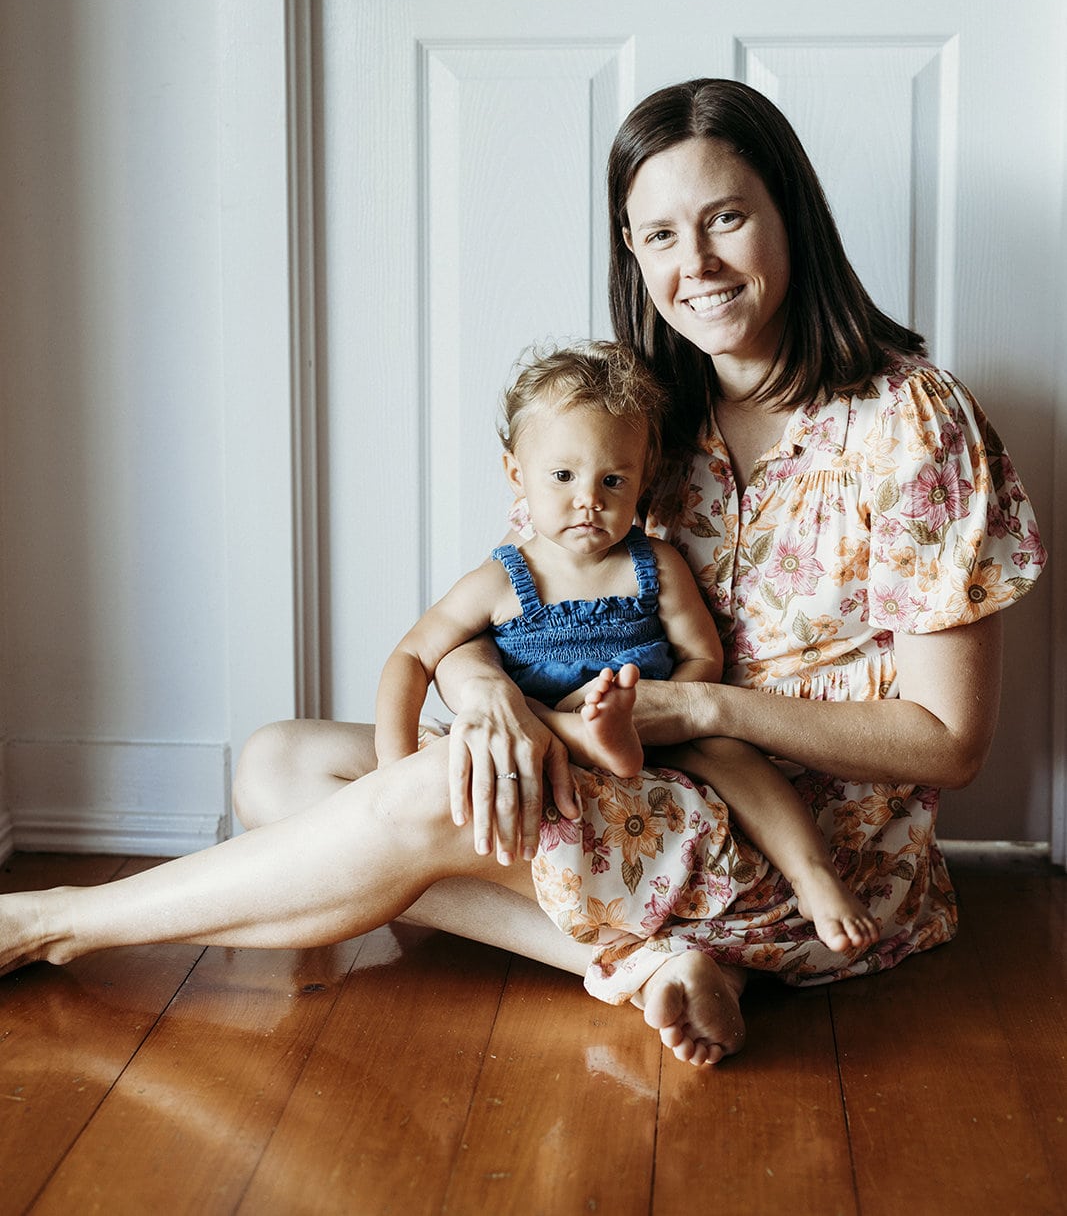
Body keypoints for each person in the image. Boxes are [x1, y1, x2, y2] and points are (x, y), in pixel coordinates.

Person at [0, 80, 1046, 1071]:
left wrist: (690, 705)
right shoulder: (643, 417)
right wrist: (485, 689)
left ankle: (52, 921)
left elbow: (946, 742)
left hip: (811, 860)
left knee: (421, 796)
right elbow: (497, 598)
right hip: (622, 782)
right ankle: (648, 964)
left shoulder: (911, 422)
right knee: (279, 763)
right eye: (661, 235)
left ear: (792, 219)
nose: (699, 264)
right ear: (630, 251)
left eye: (726, 218)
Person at [375, 339, 879, 958]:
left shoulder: (654, 565)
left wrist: (661, 702)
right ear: (516, 474)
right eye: (562, 477)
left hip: (657, 727)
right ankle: (592, 739)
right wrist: (390, 772)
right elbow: (412, 657)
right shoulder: (503, 578)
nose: (589, 499)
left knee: (732, 751)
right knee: (520, 718)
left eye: (613, 480)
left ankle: (814, 876)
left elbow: (703, 659)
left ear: (644, 479)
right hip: (549, 730)